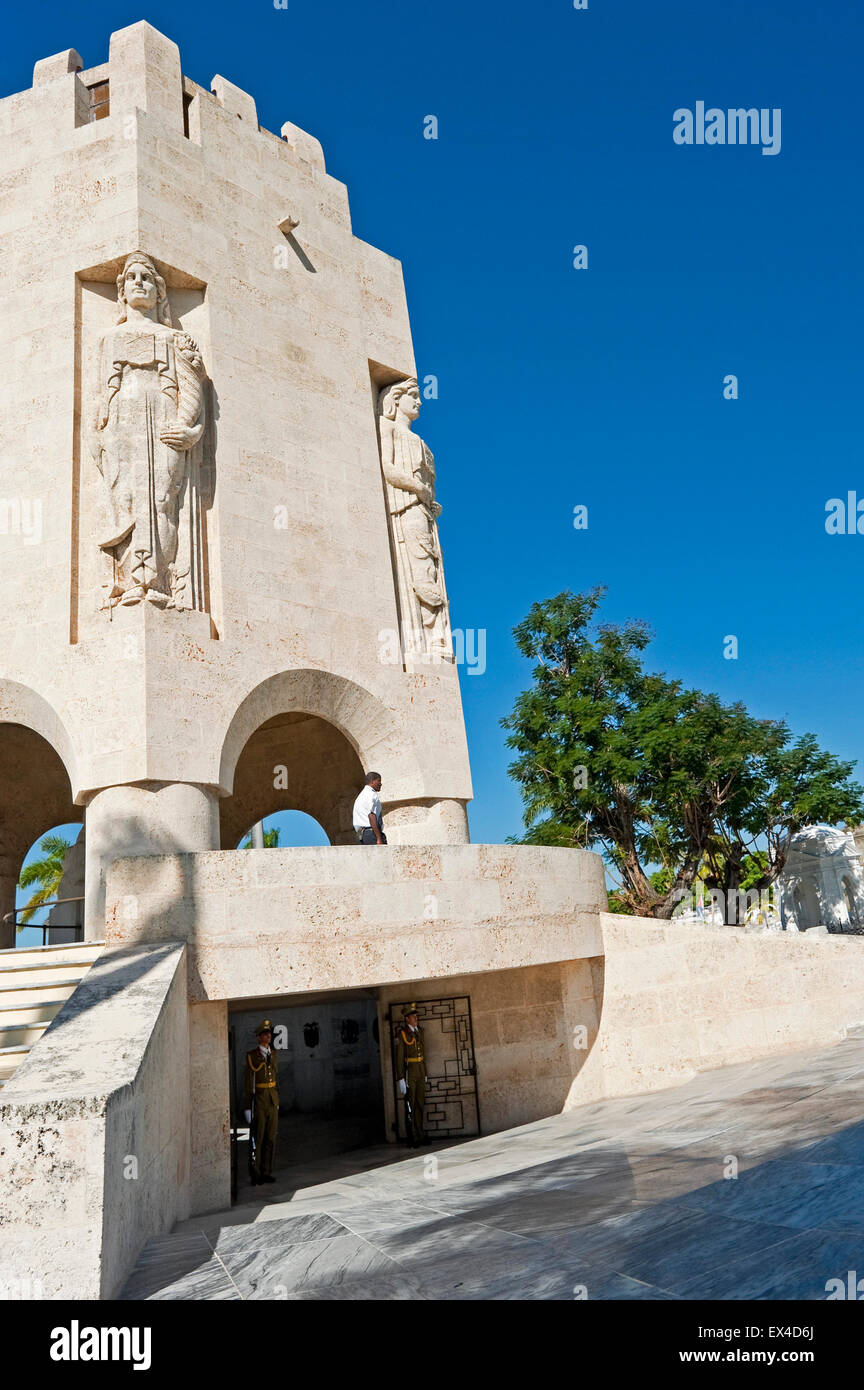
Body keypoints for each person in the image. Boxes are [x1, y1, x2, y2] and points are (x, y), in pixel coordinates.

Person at [243, 1020, 279, 1185]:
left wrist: (276, 1099)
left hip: (271, 1099)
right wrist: (247, 1106)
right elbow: (248, 1082)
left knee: (270, 1138)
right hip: (259, 1100)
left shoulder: (274, 1053)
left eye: (269, 1033)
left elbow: (275, 1078)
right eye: (265, 1034)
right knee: (258, 1136)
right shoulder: (252, 1055)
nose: (268, 1036)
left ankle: (266, 1171)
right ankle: (255, 1173)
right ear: (259, 1038)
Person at [394, 1005, 427, 1147]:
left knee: (420, 1104)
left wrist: (425, 1072)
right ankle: (411, 1136)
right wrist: (400, 1077)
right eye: (413, 1016)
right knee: (410, 1106)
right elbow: (399, 1057)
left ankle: (420, 1134)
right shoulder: (402, 1034)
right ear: (407, 1019)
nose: (416, 1018)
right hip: (410, 1073)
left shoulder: (420, 1032)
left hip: (420, 1071)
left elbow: (423, 1054)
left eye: (416, 1016)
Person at [353, 771, 386, 845]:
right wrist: (379, 839)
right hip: (371, 834)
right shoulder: (372, 794)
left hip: (360, 836)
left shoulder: (360, 796)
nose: (380, 783)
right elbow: (371, 815)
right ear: (372, 781)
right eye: (379, 781)